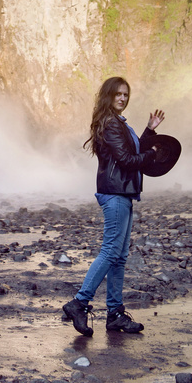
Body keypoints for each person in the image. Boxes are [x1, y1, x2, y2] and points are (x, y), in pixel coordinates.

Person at [62, 76, 164, 336]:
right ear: (108, 96)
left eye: (126, 95)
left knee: (119, 257)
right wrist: (153, 153)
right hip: (115, 193)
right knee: (110, 252)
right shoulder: (110, 123)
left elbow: (131, 149)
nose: (122, 98)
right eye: (118, 94)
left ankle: (115, 314)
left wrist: (149, 131)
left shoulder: (117, 123)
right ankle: (79, 303)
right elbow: (129, 159)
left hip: (123, 192)